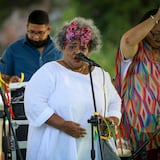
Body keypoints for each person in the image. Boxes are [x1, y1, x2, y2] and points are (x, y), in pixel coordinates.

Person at [24, 17, 122, 160]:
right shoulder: (49, 72)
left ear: (89, 50)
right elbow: (34, 104)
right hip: (58, 146)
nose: (77, 51)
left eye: (82, 48)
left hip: (94, 146)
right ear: (63, 47)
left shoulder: (100, 74)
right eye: (72, 46)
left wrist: (110, 122)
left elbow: (114, 102)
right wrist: (63, 125)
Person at [114, 8, 160, 160]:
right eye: (153, 32)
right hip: (135, 139)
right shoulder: (134, 50)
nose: (157, 37)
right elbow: (128, 39)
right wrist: (157, 16)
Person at [0, 9, 62, 82]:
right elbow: (2, 76)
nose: (36, 37)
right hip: (23, 92)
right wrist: (10, 79)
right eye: (32, 32)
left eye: (40, 33)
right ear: (27, 27)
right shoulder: (13, 49)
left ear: (48, 29)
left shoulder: (60, 48)